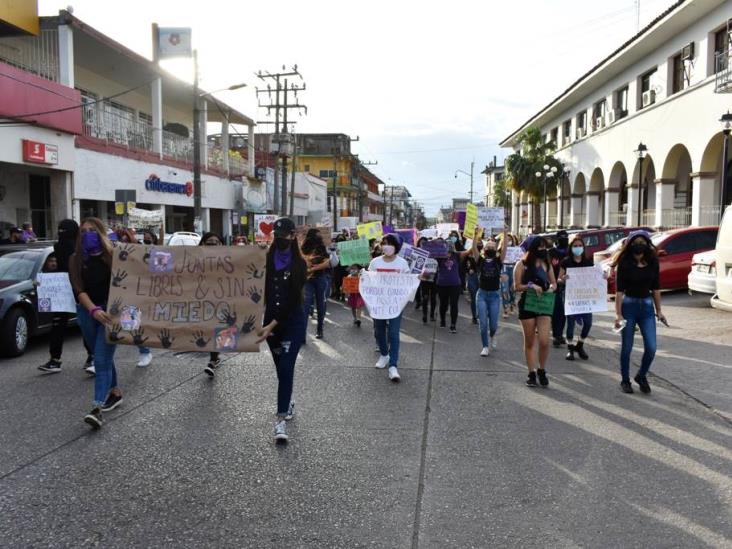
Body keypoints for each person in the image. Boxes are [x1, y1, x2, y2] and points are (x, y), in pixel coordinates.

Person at [256, 217, 307, 443]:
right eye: (277, 235)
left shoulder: (300, 264)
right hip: (270, 325)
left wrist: (270, 325)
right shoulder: (265, 259)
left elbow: (294, 300)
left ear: (293, 236)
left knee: (286, 368)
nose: (281, 239)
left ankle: (280, 420)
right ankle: (287, 400)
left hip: (291, 322)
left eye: (285, 235)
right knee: (281, 370)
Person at [69, 217, 120, 429]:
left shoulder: (115, 255)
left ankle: (97, 408)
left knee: (100, 359)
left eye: (91, 230)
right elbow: (79, 289)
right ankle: (115, 391)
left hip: (111, 314)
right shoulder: (76, 259)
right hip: (87, 313)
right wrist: (93, 310)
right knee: (102, 355)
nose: (87, 234)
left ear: (101, 232)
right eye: (83, 231)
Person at [37, 220, 95, 374]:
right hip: (62, 290)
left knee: (84, 323)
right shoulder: (59, 248)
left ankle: (93, 356)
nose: (62, 236)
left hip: (80, 289)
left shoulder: (82, 248)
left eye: (65, 232)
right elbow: (55, 267)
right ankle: (55, 359)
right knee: (59, 324)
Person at [613, 230, 666, 394]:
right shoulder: (624, 263)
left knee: (651, 347)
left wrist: (659, 311)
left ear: (647, 244)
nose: (639, 245)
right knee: (627, 347)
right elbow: (619, 292)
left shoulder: (652, 262)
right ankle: (625, 380)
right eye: (636, 242)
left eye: (643, 242)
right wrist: (618, 314)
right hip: (628, 307)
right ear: (630, 244)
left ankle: (641, 376)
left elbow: (656, 288)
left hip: (647, 308)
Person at [514, 236, 557, 388]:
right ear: (532, 249)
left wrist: (551, 288)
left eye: (544, 247)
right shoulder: (522, 264)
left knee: (545, 341)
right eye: (539, 247)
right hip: (528, 304)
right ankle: (531, 373)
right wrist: (531, 286)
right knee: (530, 341)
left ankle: (542, 369)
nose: (542, 250)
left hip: (544, 304)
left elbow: (554, 283)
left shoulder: (547, 264)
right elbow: (517, 286)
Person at [369, 233, 411, 382]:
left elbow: (408, 281)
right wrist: (363, 276)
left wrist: (417, 278)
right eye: (384, 243)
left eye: (390, 243)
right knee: (379, 331)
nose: (386, 246)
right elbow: (369, 281)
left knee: (393, 333)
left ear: (396, 246)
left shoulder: (402, 263)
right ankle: (384, 354)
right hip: (379, 303)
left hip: (395, 304)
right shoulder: (375, 262)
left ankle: (393, 365)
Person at [558, 236, 596, 361]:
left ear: (584, 248)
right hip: (570, 296)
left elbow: (594, 277)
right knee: (570, 324)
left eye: (580, 246)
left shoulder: (588, 262)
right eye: (575, 246)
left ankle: (580, 345)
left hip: (585, 297)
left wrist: (603, 276)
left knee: (588, 323)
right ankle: (570, 348)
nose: (578, 248)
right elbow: (558, 279)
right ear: (571, 248)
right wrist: (563, 279)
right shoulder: (566, 262)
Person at [473, 229, 507, 356]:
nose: (491, 246)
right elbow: (474, 248)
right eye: (488, 245)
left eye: (493, 245)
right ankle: (485, 346)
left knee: (493, 325)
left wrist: (505, 232)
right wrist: (475, 235)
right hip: (481, 295)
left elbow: (505, 248)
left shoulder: (498, 261)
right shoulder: (480, 260)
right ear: (484, 249)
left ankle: (493, 336)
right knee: (482, 323)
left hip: (494, 296)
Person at [436, 232, 474, 333]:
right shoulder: (439, 256)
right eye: (446, 245)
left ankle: (453, 325)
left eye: (450, 245)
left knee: (454, 304)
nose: (449, 247)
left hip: (455, 285)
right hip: (442, 284)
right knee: (443, 304)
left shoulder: (457, 255)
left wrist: (475, 237)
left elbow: (469, 251)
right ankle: (443, 320)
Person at [199, 232, 226, 377]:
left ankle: (213, 360)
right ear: (202, 244)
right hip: (201, 301)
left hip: (220, 301)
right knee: (207, 330)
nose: (213, 244)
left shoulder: (230, 259)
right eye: (209, 242)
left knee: (217, 329)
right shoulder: (192, 258)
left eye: (216, 242)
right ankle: (214, 358)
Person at [301, 229, 330, 340]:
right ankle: (302, 334)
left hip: (319, 278)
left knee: (321, 304)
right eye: (317, 235)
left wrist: (313, 268)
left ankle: (319, 329)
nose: (319, 237)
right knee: (305, 306)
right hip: (307, 280)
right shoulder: (303, 248)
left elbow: (327, 263)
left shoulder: (322, 247)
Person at [550, 230, 569, 347]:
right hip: (555, 285)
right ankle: (556, 336)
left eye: (565, 238)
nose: (564, 240)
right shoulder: (551, 253)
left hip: (568, 286)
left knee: (564, 313)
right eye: (561, 238)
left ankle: (560, 334)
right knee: (557, 312)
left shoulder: (569, 253)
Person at [499, 233, 519, 318]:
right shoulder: (499, 250)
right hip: (504, 269)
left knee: (512, 289)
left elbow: (519, 259)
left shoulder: (516, 249)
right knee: (504, 289)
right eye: (506, 239)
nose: (509, 241)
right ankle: (505, 309)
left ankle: (512, 304)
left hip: (513, 269)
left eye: (510, 240)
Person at [417, 237, 436, 323]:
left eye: (424, 243)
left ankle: (432, 314)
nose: (422, 244)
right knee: (425, 298)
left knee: (433, 298)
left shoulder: (435, 252)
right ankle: (425, 315)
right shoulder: (418, 253)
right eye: (421, 243)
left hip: (435, 279)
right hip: (424, 279)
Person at [464, 237, 483, 324]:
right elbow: (463, 266)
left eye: (479, 242)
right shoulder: (467, 254)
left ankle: (480, 314)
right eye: (476, 242)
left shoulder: (484, 253)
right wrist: (468, 270)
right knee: (474, 297)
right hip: (472, 278)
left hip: (482, 277)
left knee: (481, 297)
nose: (477, 244)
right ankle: (474, 316)